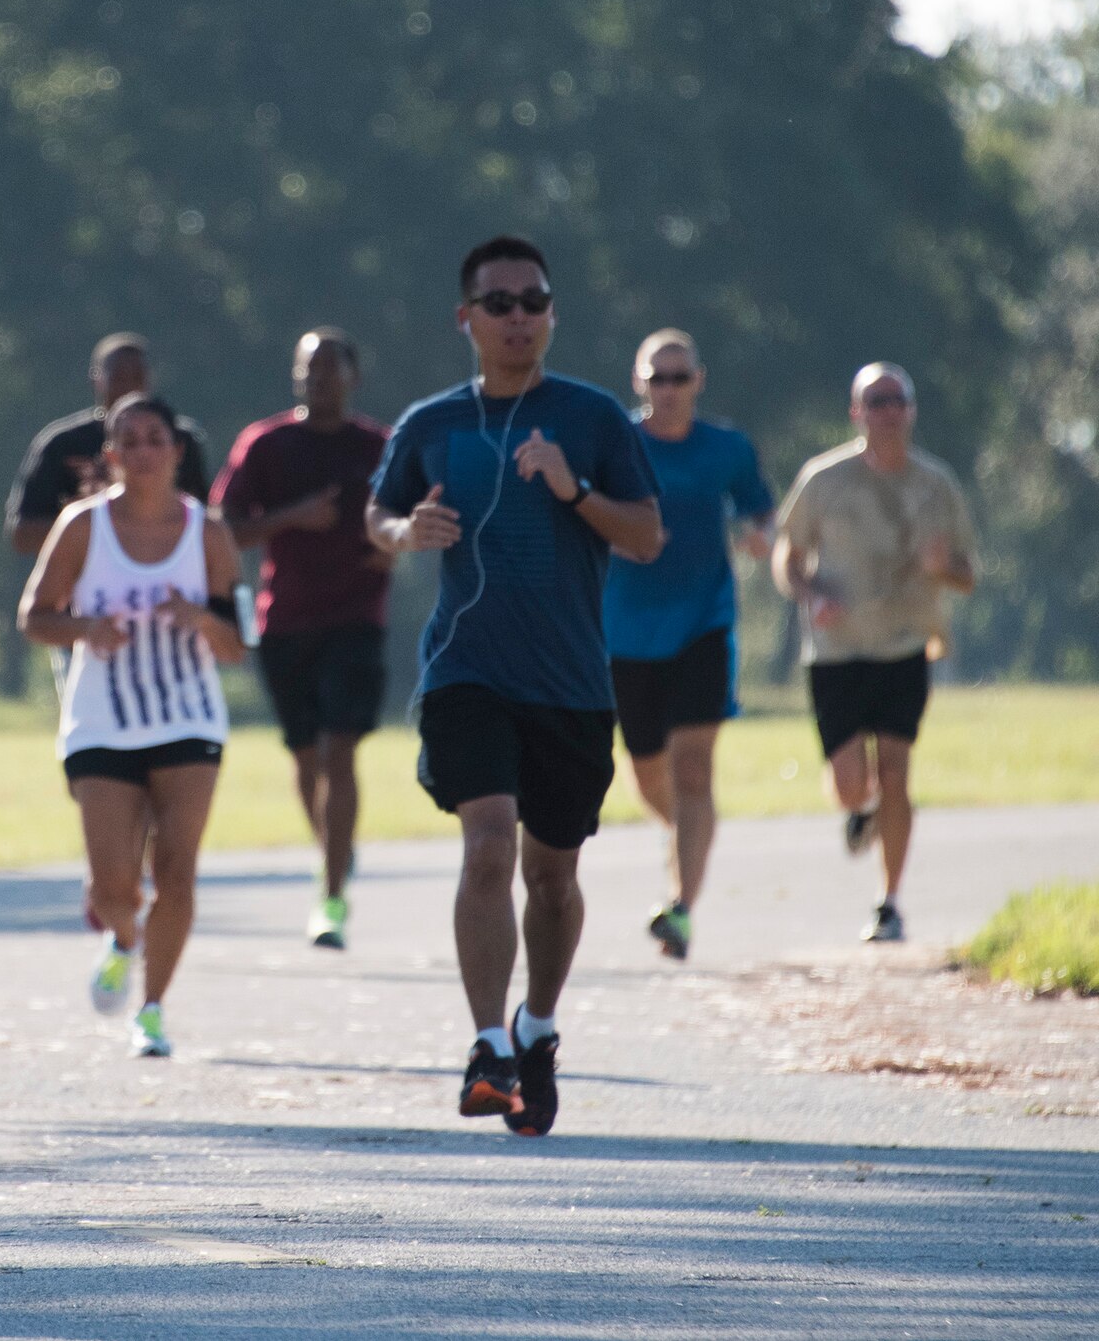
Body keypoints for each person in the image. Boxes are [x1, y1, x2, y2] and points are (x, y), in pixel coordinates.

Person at [366, 236, 661, 1136]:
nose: (518, 316)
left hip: (571, 684)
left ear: (551, 313)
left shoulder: (594, 418)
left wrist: (574, 491)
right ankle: (489, 1045)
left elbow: (646, 537)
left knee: (554, 876)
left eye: (533, 300)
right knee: (489, 844)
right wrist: (403, 531)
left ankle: (538, 1027)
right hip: (468, 670)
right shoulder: (432, 422)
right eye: (499, 303)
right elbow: (376, 519)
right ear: (467, 318)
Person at [18, 394, 246, 1058]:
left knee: (177, 870)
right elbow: (34, 617)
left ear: (176, 452)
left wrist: (200, 617)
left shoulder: (209, 532)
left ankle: (151, 1008)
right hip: (102, 722)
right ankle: (123, 936)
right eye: (130, 441)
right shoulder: (83, 526)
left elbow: (237, 644)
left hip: (189, 718)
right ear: (111, 456)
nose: (144, 451)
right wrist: (86, 627)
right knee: (115, 887)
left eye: (156, 439)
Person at [772, 363, 977, 944]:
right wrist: (810, 595)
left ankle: (889, 902)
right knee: (849, 782)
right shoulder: (824, 478)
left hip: (905, 644)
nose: (888, 411)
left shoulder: (936, 485)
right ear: (856, 413)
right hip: (835, 650)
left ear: (911, 410)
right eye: (876, 401)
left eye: (898, 400)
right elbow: (788, 553)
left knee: (896, 769)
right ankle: (858, 811)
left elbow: (968, 572)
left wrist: (945, 569)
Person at [211, 328, 394, 949]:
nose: (317, 381)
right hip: (285, 619)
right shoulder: (265, 443)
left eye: (329, 370)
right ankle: (334, 851)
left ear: (353, 377)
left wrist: (395, 549)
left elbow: (415, 510)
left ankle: (332, 895)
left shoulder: (379, 445)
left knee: (340, 752)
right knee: (305, 758)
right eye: (307, 370)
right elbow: (224, 530)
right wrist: (293, 517)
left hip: (356, 617)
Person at [603, 329, 775, 963]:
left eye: (680, 377)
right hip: (625, 632)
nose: (669, 390)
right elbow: (579, 508)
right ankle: (686, 841)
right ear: (638, 382)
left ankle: (681, 909)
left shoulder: (727, 448)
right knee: (647, 772)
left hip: (705, 624)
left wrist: (762, 536)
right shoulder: (614, 442)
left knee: (693, 768)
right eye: (658, 378)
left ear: (699, 381)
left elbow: (760, 510)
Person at [5, 334, 213, 558]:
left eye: (138, 377)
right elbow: (21, 534)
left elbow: (204, 523)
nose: (130, 387)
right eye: (119, 377)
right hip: (79, 580)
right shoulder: (61, 444)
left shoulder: (178, 439)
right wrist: (92, 527)